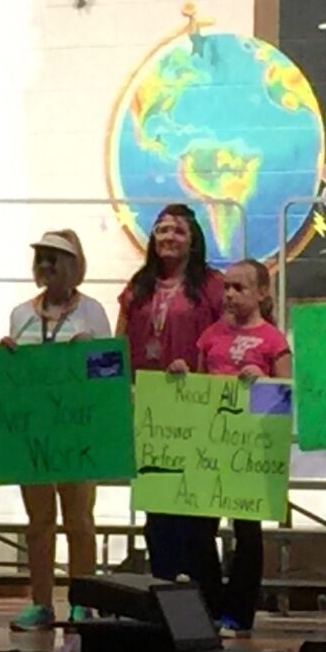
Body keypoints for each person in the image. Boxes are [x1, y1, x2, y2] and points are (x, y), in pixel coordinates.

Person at [0, 230, 112, 631]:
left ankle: (83, 601)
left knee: (79, 519)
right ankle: (41, 603)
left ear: (73, 264)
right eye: (42, 258)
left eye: (55, 258)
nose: (47, 265)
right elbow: (14, 376)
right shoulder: (20, 314)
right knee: (38, 522)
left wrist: (91, 349)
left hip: (76, 432)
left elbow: (109, 371)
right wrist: (5, 354)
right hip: (33, 432)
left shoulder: (93, 311)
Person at [116, 205, 226, 608]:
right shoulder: (139, 285)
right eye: (161, 230)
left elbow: (228, 338)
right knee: (158, 517)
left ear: (194, 239)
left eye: (177, 231)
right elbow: (120, 341)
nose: (168, 237)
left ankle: (206, 606)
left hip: (200, 410)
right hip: (151, 412)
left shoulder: (213, 286)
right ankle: (163, 605)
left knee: (198, 517)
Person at [185, 258, 291, 636]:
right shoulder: (210, 335)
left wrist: (263, 381)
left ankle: (239, 612)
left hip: (251, 450)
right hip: (212, 447)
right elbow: (198, 386)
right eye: (226, 287)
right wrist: (181, 377)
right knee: (201, 530)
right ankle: (210, 606)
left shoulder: (273, 340)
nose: (229, 294)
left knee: (247, 530)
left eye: (239, 287)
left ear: (261, 293)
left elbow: (287, 397)